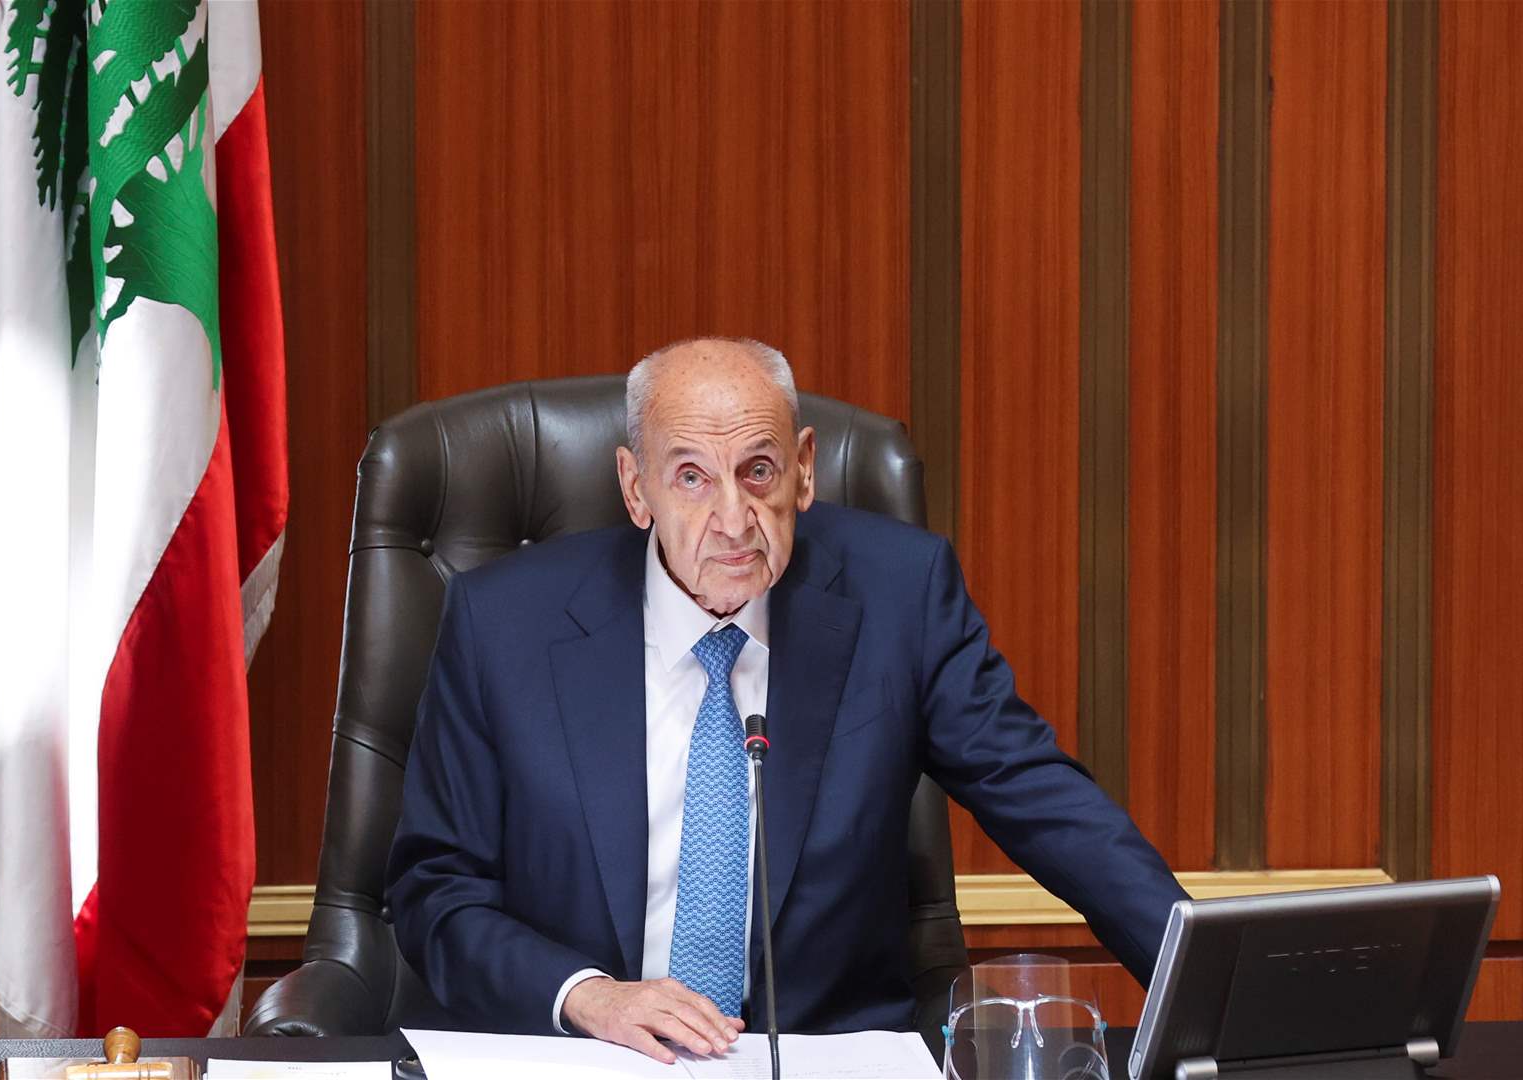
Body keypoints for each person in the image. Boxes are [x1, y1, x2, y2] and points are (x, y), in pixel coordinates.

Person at [385, 338, 1187, 1064]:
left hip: (820, 1055)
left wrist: (1204, 983)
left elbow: (1040, 798)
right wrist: (587, 996)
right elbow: (435, 888)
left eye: (758, 471)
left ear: (804, 469)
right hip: (585, 1056)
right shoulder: (503, 625)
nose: (733, 521)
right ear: (636, 489)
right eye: (691, 477)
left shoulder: (900, 597)